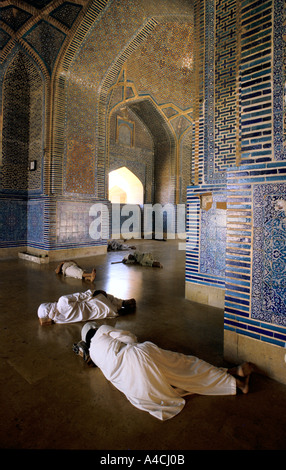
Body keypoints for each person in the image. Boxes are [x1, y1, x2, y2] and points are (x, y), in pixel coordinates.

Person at [73, 323, 255, 421]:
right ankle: (234, 379)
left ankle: (233, 378)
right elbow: (130, 338)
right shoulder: (103, 331)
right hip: (138, 355)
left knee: (176, 380)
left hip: (135, 386)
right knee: (187, 366)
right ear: (94, 329)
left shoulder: (95, 356)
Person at [37, 290, 136, 326]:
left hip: (100, 314)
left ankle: (119, 309)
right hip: (97, 303)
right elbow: (80, 296)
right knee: (105, 296)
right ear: (48, 304)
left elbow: (46, 321)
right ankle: (122, 302)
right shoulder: (62, 301)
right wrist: (94, 292)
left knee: (113, 309)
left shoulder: (58, 320)